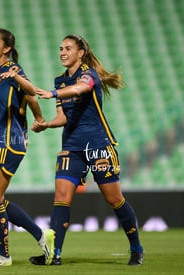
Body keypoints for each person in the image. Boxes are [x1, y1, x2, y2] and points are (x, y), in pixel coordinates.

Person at [29, 34, 144, 265]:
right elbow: (63, 116)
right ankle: (54, 254)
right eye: (60, 48)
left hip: (99, 144)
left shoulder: (88, 75)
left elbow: (80, 90)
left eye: (68, 48)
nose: (62, 52)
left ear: (80, 53)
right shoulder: (60, 80)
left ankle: (136, 248)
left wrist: (52, 94)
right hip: (71, 145)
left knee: (114, 198)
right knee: (61, 196)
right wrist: (47, 124)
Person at [0, 28, 55, 267]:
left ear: (7, 48)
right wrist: (39, 120)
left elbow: (32, 91)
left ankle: (3, 254)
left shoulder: (12, 70)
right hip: (4, 140)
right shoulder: (0, 73)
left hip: (6, 142)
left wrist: (17, 77)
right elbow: (29, 99)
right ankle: (41, 235)